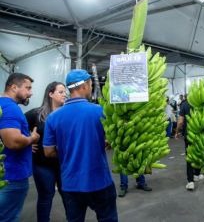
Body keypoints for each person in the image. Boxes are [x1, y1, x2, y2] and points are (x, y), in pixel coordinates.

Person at [43, 69, 118, 222]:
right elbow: (111, 140)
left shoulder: (53, 117)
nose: (91, 88)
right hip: (100, 181)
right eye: (90, 85)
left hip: (71, 184)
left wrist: (67, 152)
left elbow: (48, 151)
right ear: (83, 86)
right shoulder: (100, 111)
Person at [0, 73, 40, 222]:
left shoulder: (2, 105)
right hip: (12, 176)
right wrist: (32, 139)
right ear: (14, 87)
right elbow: (13, 141)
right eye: (27, 88)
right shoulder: (10, 108)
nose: (30, 92)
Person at [25, 81, 67, 222]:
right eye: (60, 92)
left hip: (63, 164)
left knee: (68, 194)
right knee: (46, 196)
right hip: (42, 165)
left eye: (65, 91)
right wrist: (27, 142)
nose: (64, 94)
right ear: (50, 94)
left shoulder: (67, 113)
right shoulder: (35, 114)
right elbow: (14, 128)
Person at [175, 94, 204, 191]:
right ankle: (197, 174)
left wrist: (177, 132)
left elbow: (180, 121)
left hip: (189, 135)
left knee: (190, 156)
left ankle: (190, 181)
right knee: (199, 153)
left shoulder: (184, 105)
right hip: (201, 134)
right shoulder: (201, 103)